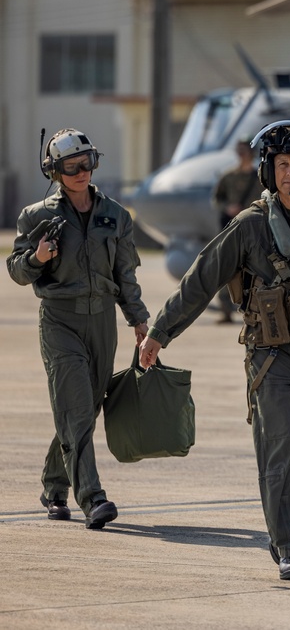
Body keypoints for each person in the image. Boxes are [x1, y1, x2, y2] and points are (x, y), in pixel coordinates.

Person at [137, 120, 290, 581]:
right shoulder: (250, 227)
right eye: (282, 164)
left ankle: (284, 510)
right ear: (269, 171)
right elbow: (201, 279)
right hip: (271, 358)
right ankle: (288, 543)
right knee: (281, 450)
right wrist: (160, 333)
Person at [6, 127, 149, 529]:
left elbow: (126, 275)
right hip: (59, 320)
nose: (81, 173)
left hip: (102, 320)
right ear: (54, 171)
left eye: (85, 164)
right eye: (71, 167)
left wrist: (139, 319)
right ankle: (93, 497)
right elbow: (16, 271)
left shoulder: (116, 216)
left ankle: (54, 486)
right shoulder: (36, 216)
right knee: (76, 407)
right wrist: (36, 257)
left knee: (83, 411)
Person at [210, 138, 258, 323]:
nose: (242, 154)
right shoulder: (228, 176)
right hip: (231, 229)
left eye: (245, 150)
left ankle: (255, 309)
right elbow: (216, 199)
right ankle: (226, 310)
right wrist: (228, 207)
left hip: (254, 230)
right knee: (226, 267)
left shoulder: (260, 178)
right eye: (239, 150)